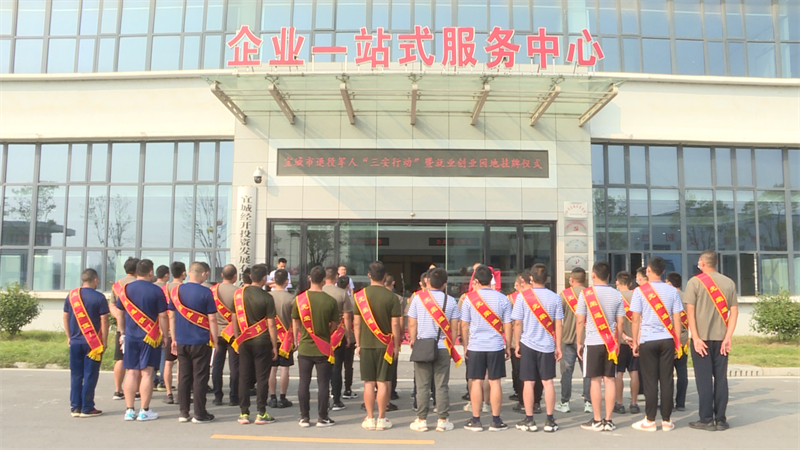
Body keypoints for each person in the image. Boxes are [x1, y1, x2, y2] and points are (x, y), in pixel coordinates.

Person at [685, 250, 738, 431]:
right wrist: (728, 337)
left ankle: (706, 419)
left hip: (701, 340)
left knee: (704, 380)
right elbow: (734, 312)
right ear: (716, 263)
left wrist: (695, 337)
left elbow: (690, 313)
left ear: (702, 263)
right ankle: (721, 419)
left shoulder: (694, 282)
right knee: (721, 379)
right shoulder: (729, 283)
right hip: (722, 339)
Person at [630, 257, 684, 432]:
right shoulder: (672, 291)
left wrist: (635, 341)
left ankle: (650, 420)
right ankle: (667, 420)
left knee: (650, 380)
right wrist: (677, 342)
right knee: (667, 380)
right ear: (663, 272)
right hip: (667, 340)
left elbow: (635, 319)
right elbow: (677, 319)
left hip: (647, 340)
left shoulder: (640, 291)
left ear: (648, 270)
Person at [407, 267, 461, 432]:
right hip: (443, 346)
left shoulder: (418, 298)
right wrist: (450, 343)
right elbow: (454, 327)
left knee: (422, 385)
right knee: (441, 385)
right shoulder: (450, 301)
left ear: (427, 281)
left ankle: (421, 420)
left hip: (423, 345)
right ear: (445, 284)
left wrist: (413, 340)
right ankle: (442, 420)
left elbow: (412, 323)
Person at [115, 259, 169, 421]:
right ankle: (144, 411)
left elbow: (120, 314)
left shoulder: (125, 289)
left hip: (130, 337)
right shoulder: (156, 290)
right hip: (150, 337)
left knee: (131, 372)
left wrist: (122, 333)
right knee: (147, 373)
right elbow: (163, 316)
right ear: (151, 272)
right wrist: (165, 335)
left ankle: (129, 410)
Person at [460, 264, 513, 432]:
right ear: (491, 279)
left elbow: (464, 325)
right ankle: (496, 421)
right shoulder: (503, 298)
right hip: (496, 345)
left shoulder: (469, 299)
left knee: (476, 381)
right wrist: (508, 345)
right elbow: (508, 325)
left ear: (475, 280)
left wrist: (466, 345)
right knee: (495, 382)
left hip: (476, 346)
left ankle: (476, 420)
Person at [512, 264, 563, 433]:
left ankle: (529, 420)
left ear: (531, 279)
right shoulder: (555, 297)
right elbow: (558, 324)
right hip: (547, 345)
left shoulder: (522, 297)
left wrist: (517, 343)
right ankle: (550, 420)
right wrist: (558, 346)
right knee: (548, 382)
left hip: (528, 344)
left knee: (528, 382)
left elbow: (517, 323)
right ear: (547, 278)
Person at [353, 261, 402, 431]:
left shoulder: (359, 296)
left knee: (368, 382)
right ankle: (382, 418)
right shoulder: (392, 297)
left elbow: (356, 323)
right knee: (383, 382)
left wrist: (358, 343)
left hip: (366, 345)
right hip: (386, 346)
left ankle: (370, 418)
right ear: (385, 276)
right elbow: (395, 324)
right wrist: (396, 346)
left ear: (369, 275)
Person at [576, 261, 625, 432]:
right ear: (609, 276)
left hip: (593, 342)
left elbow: (580, 321)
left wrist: (579, 342)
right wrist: (618, 343)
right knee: (610, 380)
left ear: (593, 275)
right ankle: (608, 420)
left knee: (595, 381)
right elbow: (620, 322)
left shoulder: (585, 294)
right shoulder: (617, 294)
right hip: (610, 344)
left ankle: (597, 419)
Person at [168, 262, 219, 423]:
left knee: (184, 376)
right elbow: (212, 319)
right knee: (200, 377)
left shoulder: (176, 291)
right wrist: (215, 340)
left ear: (189, 273)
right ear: (203, 274)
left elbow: (171, 316)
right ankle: (199, 413)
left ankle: (183, 412)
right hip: (200, 341)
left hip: (181, 340)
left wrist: (173, 338)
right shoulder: (206, 292)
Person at [292, 266, 341, 428]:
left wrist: (299, 337)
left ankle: (304, 417)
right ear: (323, 280)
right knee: (323, 384)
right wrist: (324, 334)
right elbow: (334, 325)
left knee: (303, 382)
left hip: (305, 348)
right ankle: (322, 417)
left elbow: (296, 322)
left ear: (309, 278)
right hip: (323, 348)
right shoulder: (330, 301)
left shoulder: (300, 299)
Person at [233, 264, 279, 425]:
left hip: (244, 341)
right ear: (265, 278)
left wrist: (238, 338)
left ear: (250, 277)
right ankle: (261, 413)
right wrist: (274, 346)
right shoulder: (267, 297)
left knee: (244, 377)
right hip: (263, 341)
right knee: (262, 378)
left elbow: (234, 318)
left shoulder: (238, 295)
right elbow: (271, 325)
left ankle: (244, 413)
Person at [64, 268, 109, 418]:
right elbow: (104, 320)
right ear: (95, 280)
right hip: (93, 344)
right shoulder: (99, 297)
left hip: (75, 342)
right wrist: (104, 341)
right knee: (90, 375)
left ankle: (75, 407)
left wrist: (69, 336)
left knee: (76, 375)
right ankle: (87, 407)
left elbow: (65, 316)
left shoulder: (71, 296)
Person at [556, 267, 592, 414]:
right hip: (586, 339)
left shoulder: (564, 295)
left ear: (571, 280)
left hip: (567, 338)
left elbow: (558, 318)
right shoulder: (590, 294)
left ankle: (565, 402)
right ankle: (588, 403)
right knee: (588, 372)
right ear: (585, 280)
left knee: (566, 373)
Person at [323, 267, 354, 411]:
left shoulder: (317, 292)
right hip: (337, 334)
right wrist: (348, 335)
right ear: (336, 277)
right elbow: (347, 317)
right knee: (337, 367)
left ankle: (323, 399)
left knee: (322, 367)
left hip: (320, 334)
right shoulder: (342, 294)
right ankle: (336, 399)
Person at [109, 257, 138, 400]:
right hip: (139, 326)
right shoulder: (140, 284)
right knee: (137, 361)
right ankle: (135, 390)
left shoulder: (117, 285)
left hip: (121, 328)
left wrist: (119, 317)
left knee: (120, 358)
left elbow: (112, 305)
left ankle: (118, 390)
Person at [211, 264, 240, 406]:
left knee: (217, 365)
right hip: (233, 333)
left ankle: (218, 396)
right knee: (235, 366)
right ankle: (234, 397)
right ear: (235, 276)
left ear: (222, 274)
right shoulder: (238, 292)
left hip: (216, 333)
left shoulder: (213, 291)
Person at [613, 271, 641, 415]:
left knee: (619, 372)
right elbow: (640, 320)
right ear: (630, 283)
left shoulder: (615, 297)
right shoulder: (637, 296)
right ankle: (634, 403)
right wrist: (636, 340)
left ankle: (619, 403)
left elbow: (615, 322)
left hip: (620, 341)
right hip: (635, 341)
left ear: (617, 282)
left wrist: (623, 337)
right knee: (634, 372)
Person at [268, 269, 295, 409]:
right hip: (286, 339)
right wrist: (296, 339)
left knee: (272, 368)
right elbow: (295, 321)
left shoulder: (267, 297)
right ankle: (283, 398)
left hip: (270, 338)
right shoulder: (291, 298)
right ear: (286, 281)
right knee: (285, 369)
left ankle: (272, 397)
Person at [162, 261, 186, 405]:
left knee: (168, 363)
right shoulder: (184, 289)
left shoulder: (165, 289)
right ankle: (180, 393)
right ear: (183, 273)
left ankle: (168, 393)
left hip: (168, 331)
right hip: (182, 331)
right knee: (182, 364)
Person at [666, 271, 689, 411]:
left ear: (669, 283)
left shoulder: (668, 297)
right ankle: (680, 403)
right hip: (683, 339)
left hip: (669, 338)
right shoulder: (687, 297)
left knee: (667, 374)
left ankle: (667, 403)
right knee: (682, 373)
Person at [384, 274, 405, 402]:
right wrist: (400, 335)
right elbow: (400, 320)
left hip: (375, 335)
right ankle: (391, 392)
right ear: (393, 283)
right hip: (391, 336)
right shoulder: (397, 298)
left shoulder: (368, 297)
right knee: (391, 367)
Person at [153, 265, 170, 391]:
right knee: (164, 355)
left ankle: (153, 379)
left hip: (151, 326)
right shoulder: (167, 289)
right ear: (166, 275)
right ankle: (163, 382)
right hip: (164, 325)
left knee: (153, 354)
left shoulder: (151, 287)